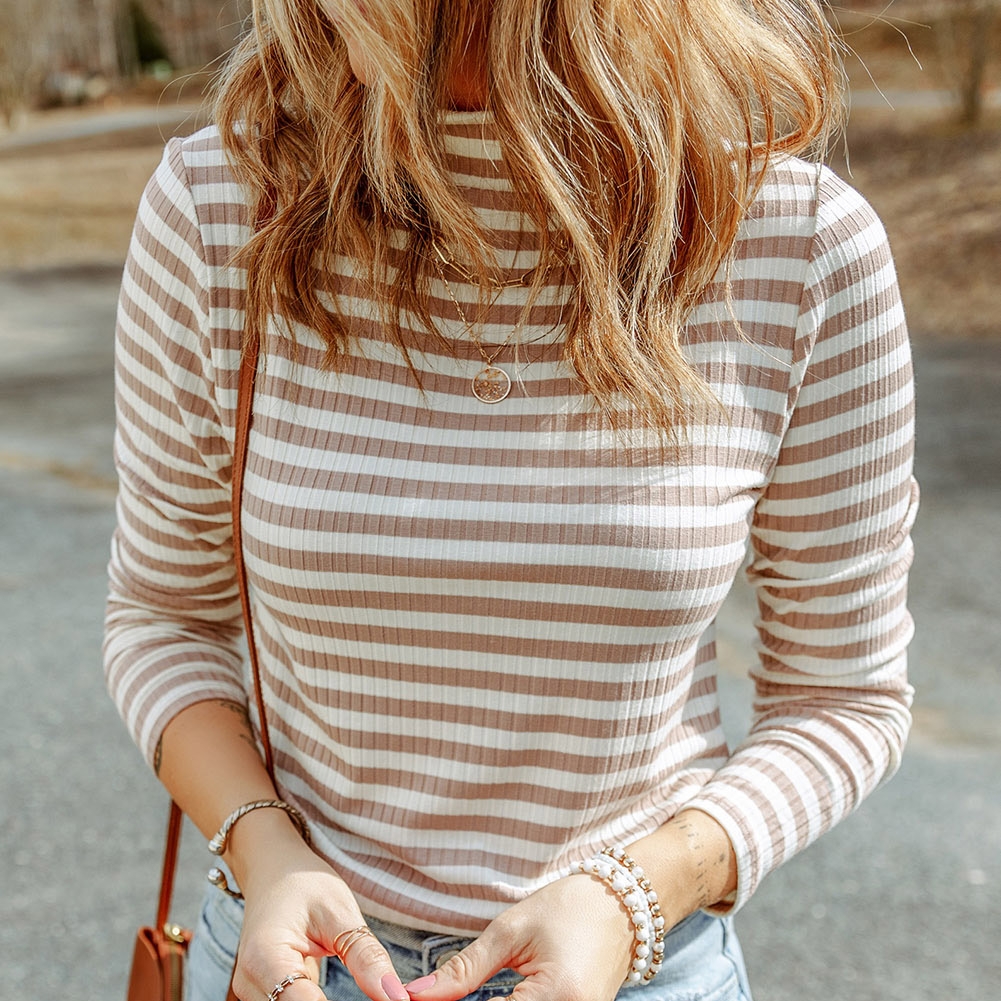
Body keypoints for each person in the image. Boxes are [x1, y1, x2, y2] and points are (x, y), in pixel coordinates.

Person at [104, 2, 918, 1001]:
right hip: (296, 967)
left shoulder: (796, 240)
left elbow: (842, 695)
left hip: (639, 962)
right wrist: (270, 851)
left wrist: (631, 894)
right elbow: (163, 615)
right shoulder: (220, 205)